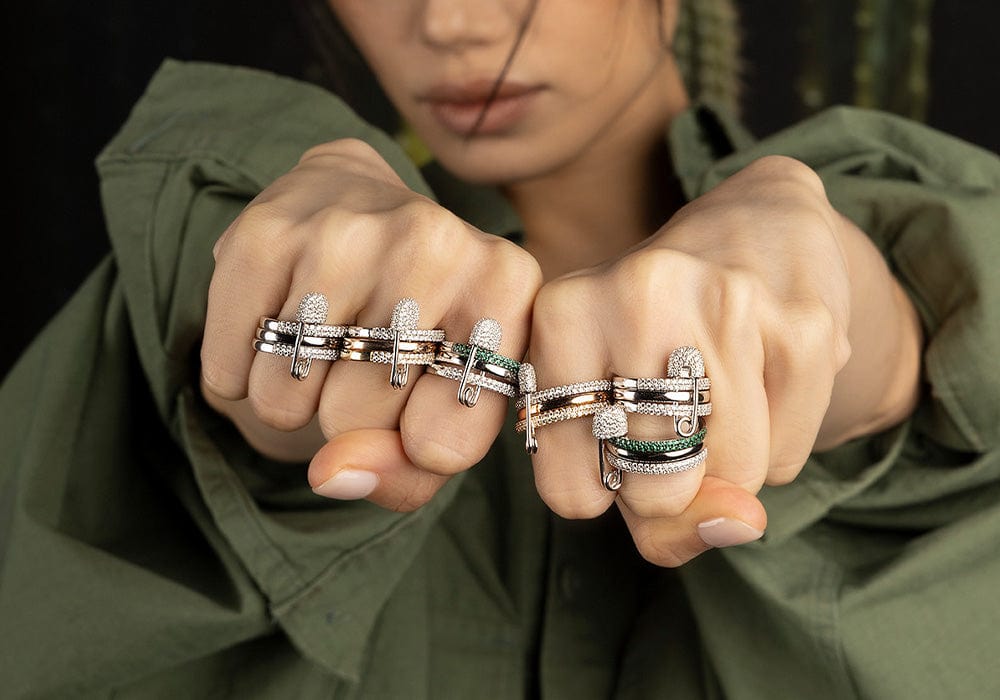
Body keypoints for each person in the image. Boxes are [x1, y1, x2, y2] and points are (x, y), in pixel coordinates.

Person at [1, 0, 998, 697]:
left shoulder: (878, 235)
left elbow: (928, 356)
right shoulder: (223, 241)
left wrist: (855, 327)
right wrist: (270, 361)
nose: (450, 22)